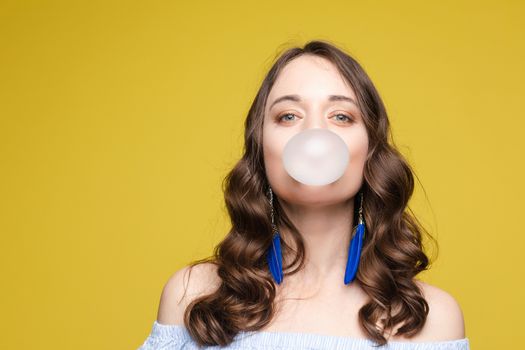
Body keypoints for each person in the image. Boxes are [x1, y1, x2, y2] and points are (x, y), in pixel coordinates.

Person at [138, 40, 470, 349]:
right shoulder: (195, 297)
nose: (314, 134)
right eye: (289, 116)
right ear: (262, 150)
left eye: (341, 116)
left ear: (369, 150)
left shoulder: (430, 319)